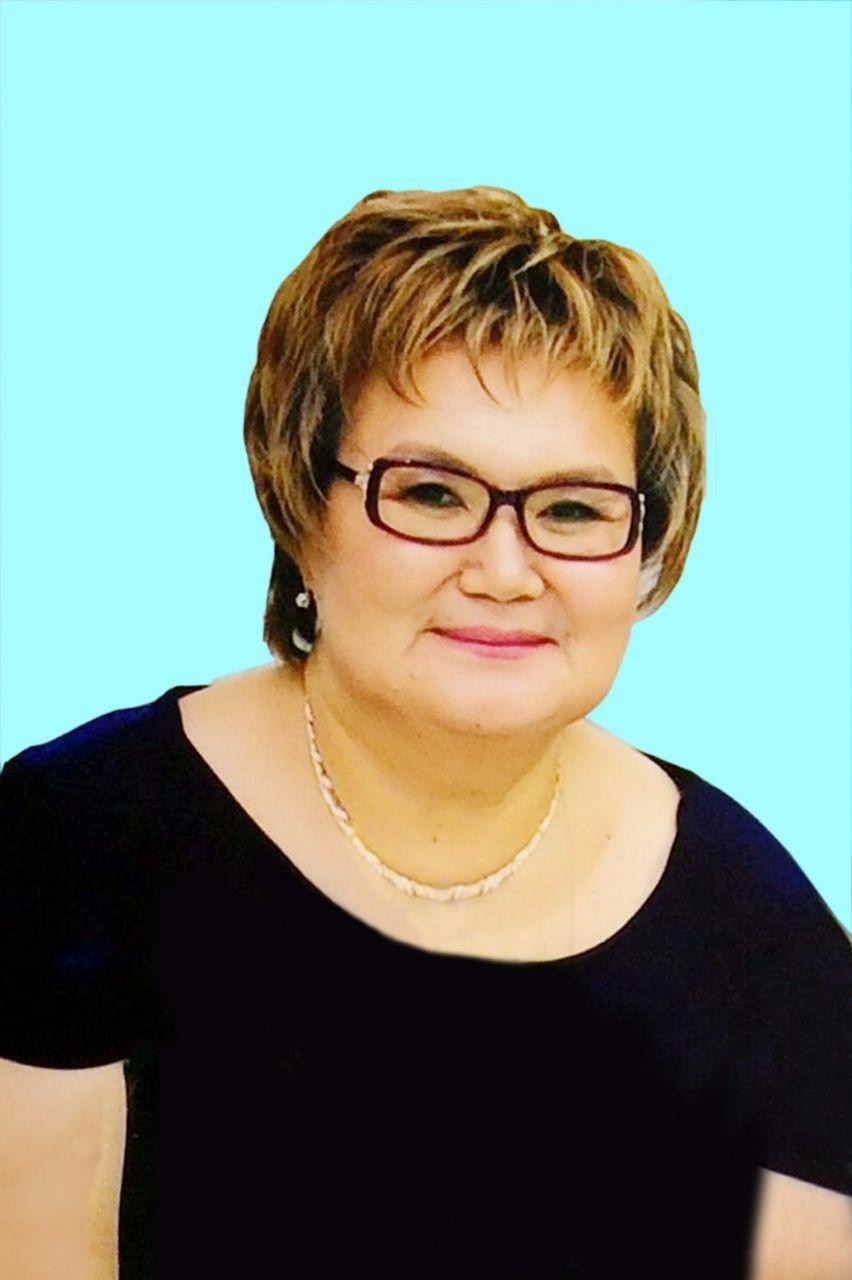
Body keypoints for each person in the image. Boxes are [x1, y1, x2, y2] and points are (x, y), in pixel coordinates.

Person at [1, 186, 850, 1280]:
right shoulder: (77, 843)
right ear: (302, 506)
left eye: (575, 509)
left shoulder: (756, 937)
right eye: (433, 494)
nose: (505, 570)